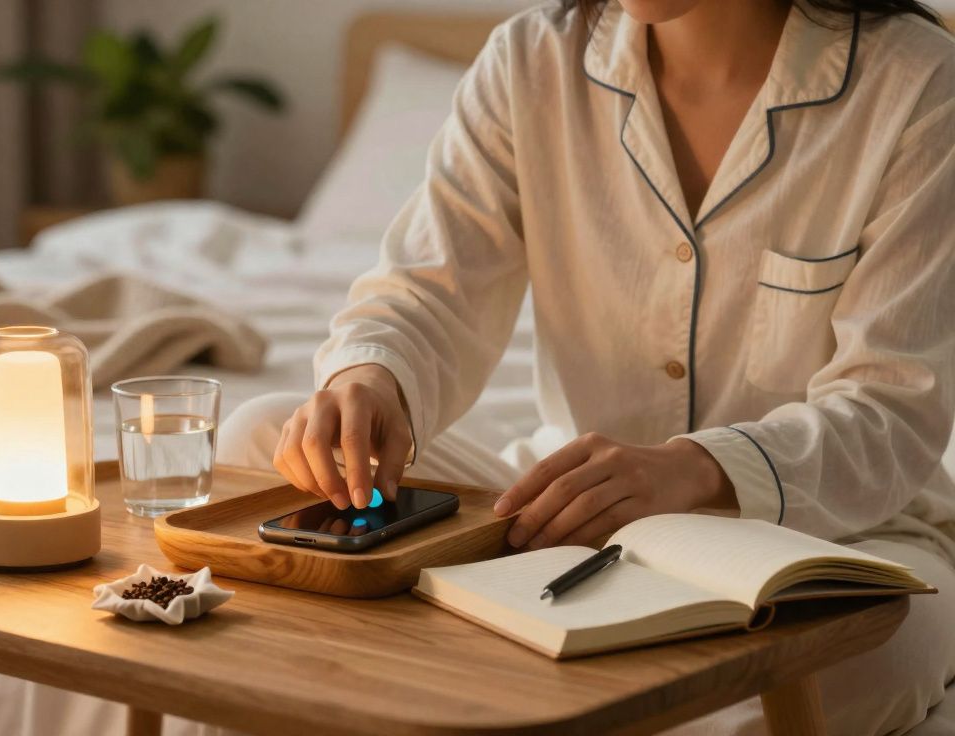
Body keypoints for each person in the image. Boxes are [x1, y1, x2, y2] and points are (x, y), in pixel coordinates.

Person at [218, 0, 955, 733]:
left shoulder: (917, 82)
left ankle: (488, 674)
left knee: (870, 654)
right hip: (563, 516)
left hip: (837, 538)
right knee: (268, 440)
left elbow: (889, 408)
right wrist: (369, 380)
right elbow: (427, 293)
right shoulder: (531, 59)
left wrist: (699, 468)